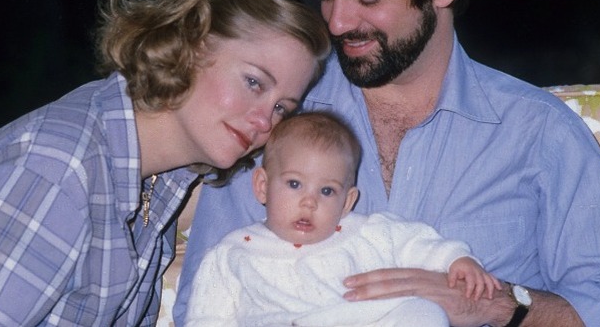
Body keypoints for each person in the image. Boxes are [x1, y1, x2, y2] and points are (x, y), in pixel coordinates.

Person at [174, 0, 600, 326]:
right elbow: (206, 296)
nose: (339, 22)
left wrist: (499, 307)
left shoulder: (536, 132)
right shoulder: (279, 117)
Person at [0, 0, 330, 326]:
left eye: (282, 109)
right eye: (254, 82)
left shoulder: (157, 178)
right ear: (191, 44)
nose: (263, 121)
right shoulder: (61, 169)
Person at [184, 112, 501, 326]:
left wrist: (458, 260)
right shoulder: (233, 254)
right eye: (294, 184)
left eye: (327, 191)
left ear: (348, 201)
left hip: (359, 319)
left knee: (424, 312)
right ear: (263, 186)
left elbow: (418, 243)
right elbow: (207, 318)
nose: (309, 201)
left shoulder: (365, 232)